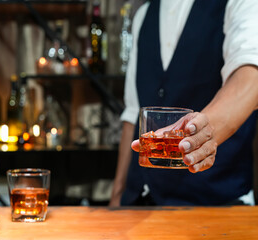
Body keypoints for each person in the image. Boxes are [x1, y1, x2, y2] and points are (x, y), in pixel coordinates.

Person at [110, 0, 258, 206]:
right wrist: (117, 197)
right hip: (141, 203)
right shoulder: (144, 15)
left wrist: (202, 134)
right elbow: (133, 113)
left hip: (217, 203)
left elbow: (251, 76)